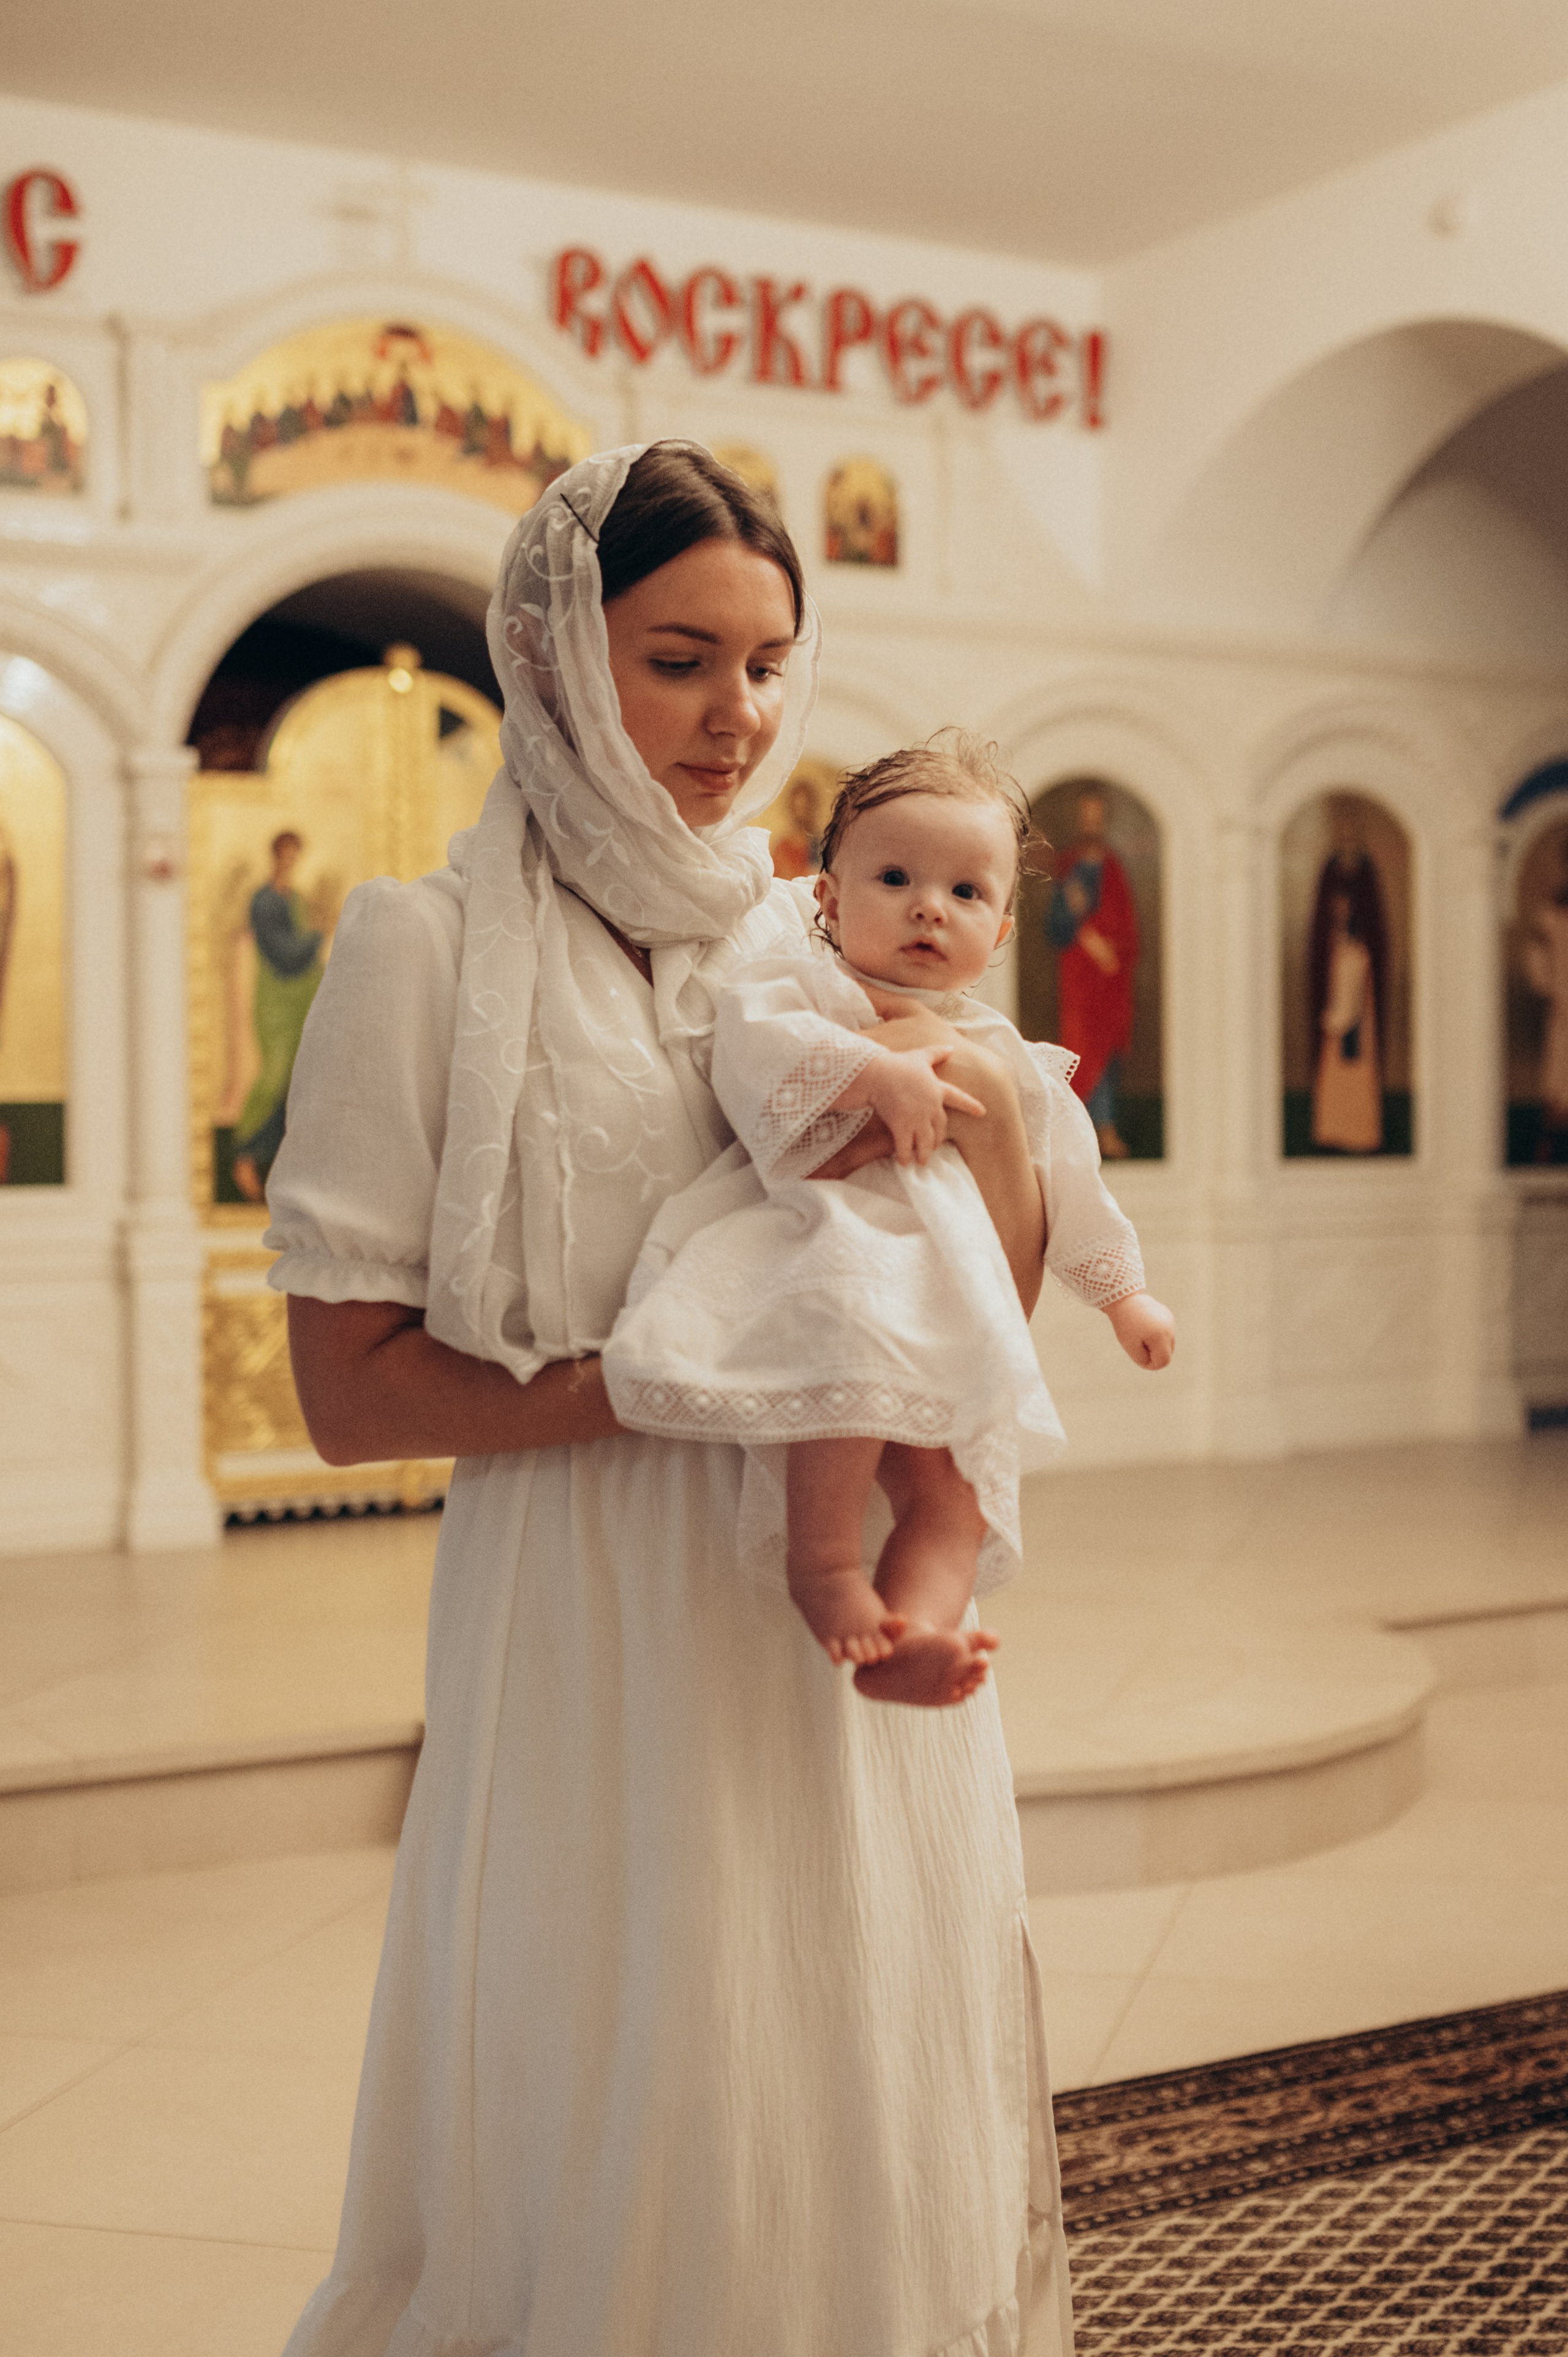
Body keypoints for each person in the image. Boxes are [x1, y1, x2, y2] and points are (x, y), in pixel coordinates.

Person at [265, 442, 1078, 2355]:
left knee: (841, 2037)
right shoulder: (423, 944)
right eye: (679, 657)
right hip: (595, 1594)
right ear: (555, 657)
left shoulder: (823, 929)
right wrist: (696, 1385)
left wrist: (995, 1115)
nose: (739, 717)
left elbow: (983, 1291)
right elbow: (344, 1394)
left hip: (839, 1581)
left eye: (773, 662)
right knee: (633, 2035)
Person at [606, 737, 1174, 1709]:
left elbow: (1072, 1184)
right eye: (897, 877)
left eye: (964, 893)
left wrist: (1124, 1297)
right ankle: (824, 1569)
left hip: (949, 1306)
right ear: (827, 899)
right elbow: (752, 1052)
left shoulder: (1012, 1055)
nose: (927, 906)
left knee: (956, 1502)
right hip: (835, 1260)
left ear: (999, 932)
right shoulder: (809, 989)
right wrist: (877, 1071)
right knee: (850, 1385)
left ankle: (915, 1634)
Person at [230, 829, 326, 1203]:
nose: (290, 862)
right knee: (272, 1076)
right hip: (276, 1002)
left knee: (298, 1081)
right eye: (286, 855)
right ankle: (246, 1157)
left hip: (304, 998)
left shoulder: (298, 899)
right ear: (275, 856)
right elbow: (283, 953)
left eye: (295, 856)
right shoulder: (264, 901)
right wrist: (319, 937)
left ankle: (285, 1170)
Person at [1046, 784, 1139, 1158]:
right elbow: (1054, 928)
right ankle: (1079, 1132)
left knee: (1109, 1055)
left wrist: (1110, 949)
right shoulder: (1068, 868)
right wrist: (1077, 920)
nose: (1092, 825)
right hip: (1080, 981)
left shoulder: (1114, 868)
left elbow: (1128, 926)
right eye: (1086, 818)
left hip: (1111, 980)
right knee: (1081, 1050)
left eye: (1097, 818)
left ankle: (1106, 1130)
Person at [1311, 884, 1382, 1153]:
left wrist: (1336, 1021)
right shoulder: (1344, 950)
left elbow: (1351, 995)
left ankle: (1355, 1136)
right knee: (1340, 1084)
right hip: (1344, 1025)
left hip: (1349, 1028)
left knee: (1349, 1083)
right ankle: (1339, 1133)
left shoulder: (1353, 954)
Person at [1524, 839, 1568, 1163]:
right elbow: (1536, 952)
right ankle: (1548, 1158)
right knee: (1559, 1083)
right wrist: (1550, 988)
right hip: (1563, 1008)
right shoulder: (1554, 908)